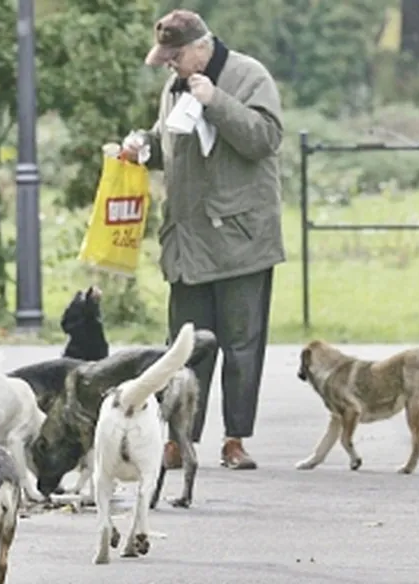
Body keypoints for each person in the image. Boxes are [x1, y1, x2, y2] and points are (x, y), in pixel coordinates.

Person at [119, 9, 285, 470]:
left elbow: (265, 138)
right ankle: (178, 438)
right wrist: (141, 148)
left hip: (241, 239)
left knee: (241, 344)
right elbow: (171, 141)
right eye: (165, 58)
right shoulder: (173, 87)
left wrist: (217, 101)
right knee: (184, 347)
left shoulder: (249, 76)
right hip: (187, 240)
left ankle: (235, 439)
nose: (170, 65)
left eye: (175, 56)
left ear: (200, 47)